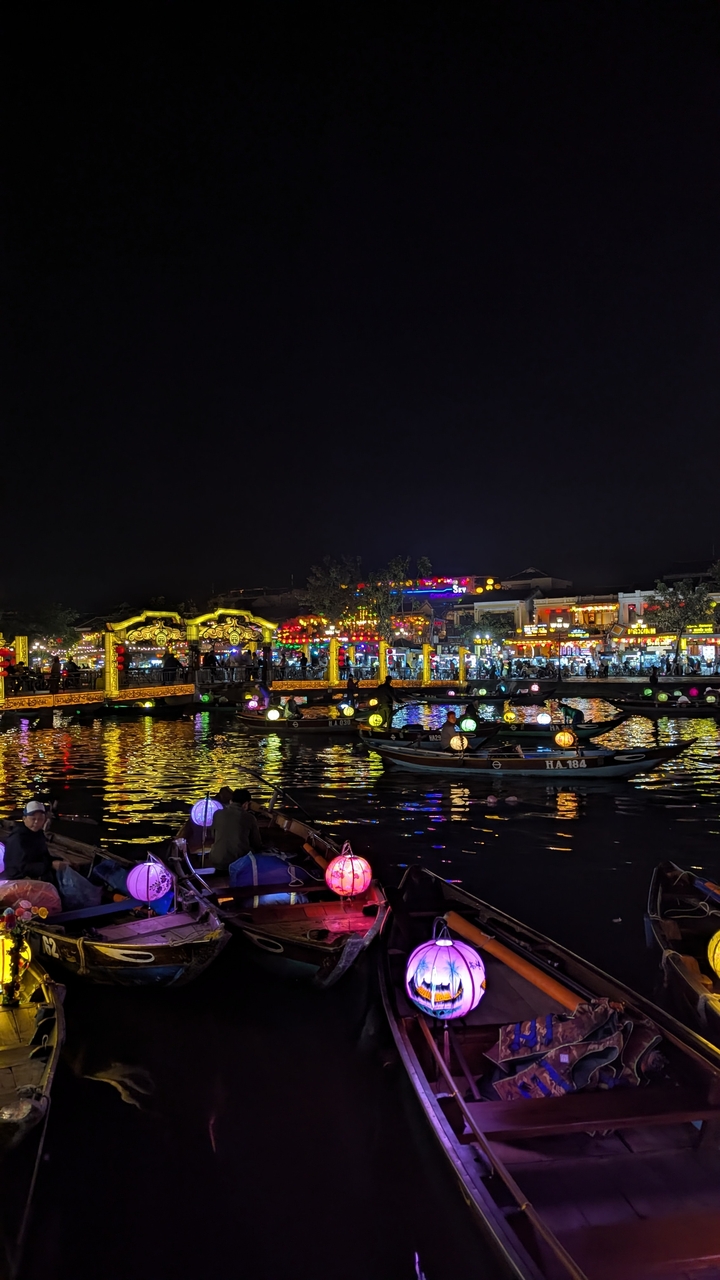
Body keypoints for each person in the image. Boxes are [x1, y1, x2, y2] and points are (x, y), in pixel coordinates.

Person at [3, 801, 66, 885]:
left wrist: (59, 861)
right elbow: (21, 866)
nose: (36, 822)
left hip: (37, 873)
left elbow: (43, 856)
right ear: (24, 818)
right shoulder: (17, 838)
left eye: (40, 819)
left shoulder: (38, 834)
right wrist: (50, 865)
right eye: (33, 819)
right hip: (19, 879)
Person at [209, 789, 263, 870]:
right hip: (238, 863)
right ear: (245, 805)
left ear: (231, 801)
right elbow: (256, 844)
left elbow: (213, 835)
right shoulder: (249, 818)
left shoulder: (217, 814)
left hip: (217, 860)